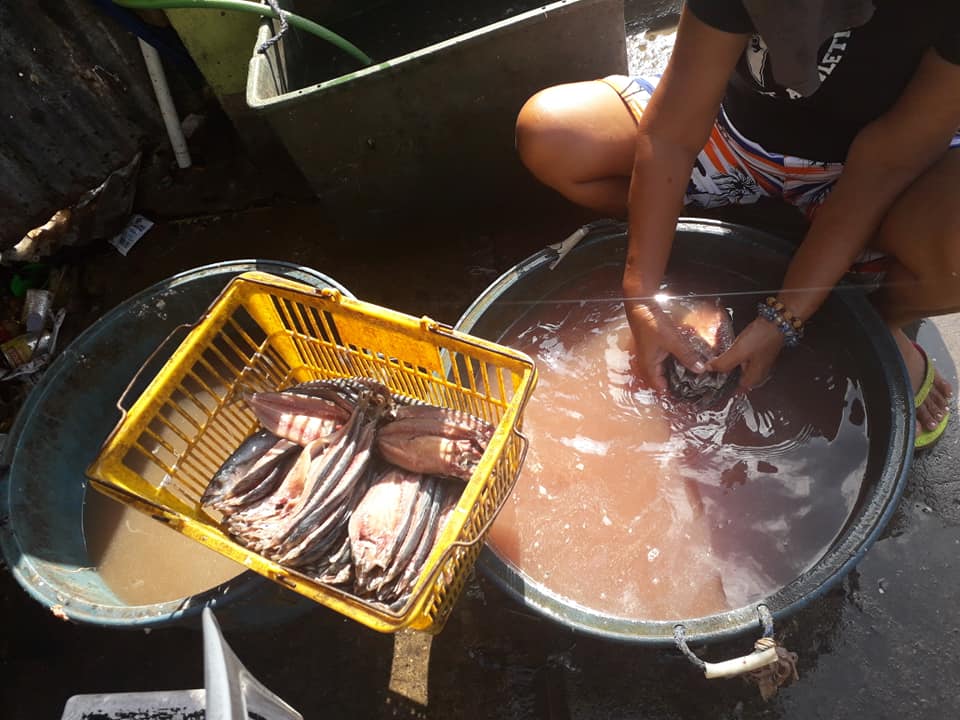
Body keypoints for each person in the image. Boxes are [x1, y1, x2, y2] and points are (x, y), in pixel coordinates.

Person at [514, 0, 960, 449]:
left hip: (858, 174)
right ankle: (720, 248)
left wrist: (784, 318)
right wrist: (643, 287)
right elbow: (672, 129)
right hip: (730, 137)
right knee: (551, 135)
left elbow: (882, 168)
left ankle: (879, 322)